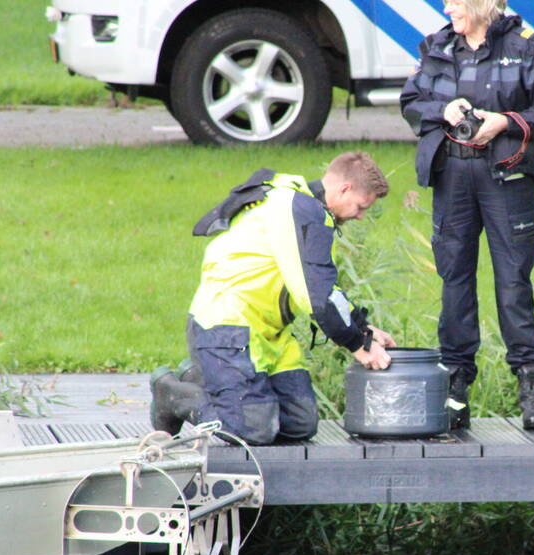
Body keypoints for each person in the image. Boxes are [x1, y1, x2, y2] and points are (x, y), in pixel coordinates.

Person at [400, 0, 534, 430]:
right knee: (455, 281)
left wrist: (504, 123)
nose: (448, 8)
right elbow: (410, 102)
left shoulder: (527, 46)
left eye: (456, 2)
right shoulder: (437, 46)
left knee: (513, 282)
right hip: (451, 175)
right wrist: (443, 111)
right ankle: (456, 390)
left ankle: (530, 388)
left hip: (507, 176)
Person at [150, 152, 395, 445]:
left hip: (268, 335)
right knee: (251, 429)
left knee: (300, 424)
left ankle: (200, 377)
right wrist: (356, 344)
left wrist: (362, 329)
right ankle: (172, 395)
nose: (360, 215)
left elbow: (326, 285)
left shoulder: (307, 210)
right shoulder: (299, 209)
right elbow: (315, 293)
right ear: (345, 189)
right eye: (360, 206)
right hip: (226, 329)